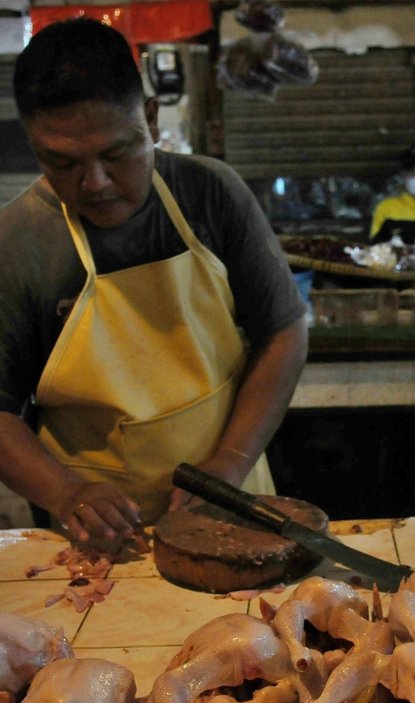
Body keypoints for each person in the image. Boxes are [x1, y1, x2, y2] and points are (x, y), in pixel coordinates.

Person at [0, 18, 308, 544]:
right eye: (62, 161)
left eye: (116, 154)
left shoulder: (211, 195)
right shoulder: (18, 241)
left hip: (230, 502)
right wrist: (66, 494)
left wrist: (229, 463)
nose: (94, 183)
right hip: (101, 536)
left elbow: (283, 332)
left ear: (149, 117)